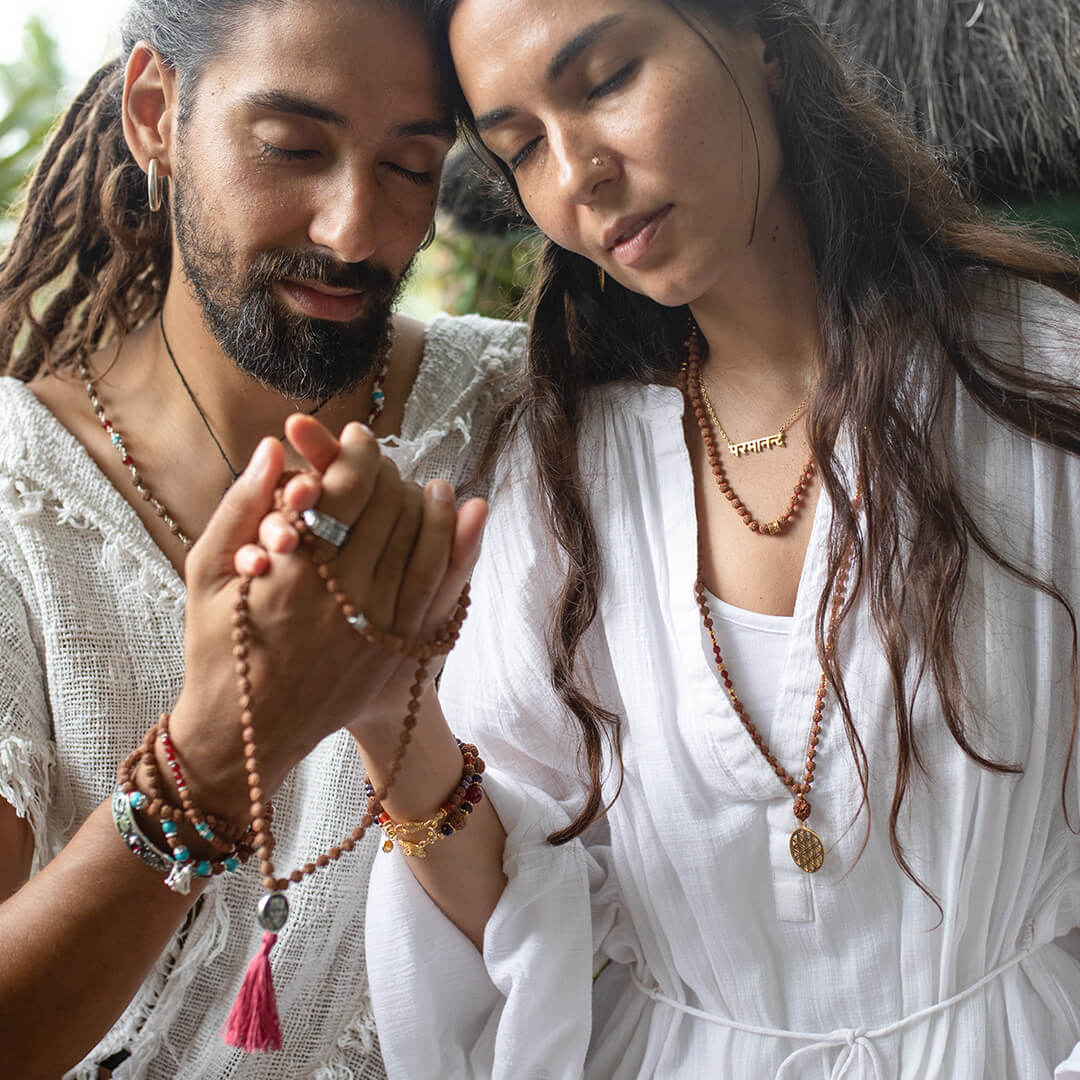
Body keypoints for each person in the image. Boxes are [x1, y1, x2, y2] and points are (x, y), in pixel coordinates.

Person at [351, 0, 1080, 1076]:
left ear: (760, 43)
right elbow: (527, 896)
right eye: (522, 149)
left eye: (603, 82)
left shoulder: (1042, 389)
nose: (579, 172)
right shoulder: (561, 483)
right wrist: (381, 714)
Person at [0, 0, 525, 1075]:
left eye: (409, 167)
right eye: (293, 147)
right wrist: (217, 753)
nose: (353, 231)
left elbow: (610, 939)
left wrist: (393, 719)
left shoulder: (524, 421)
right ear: (157, 111)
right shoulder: (20, 498)